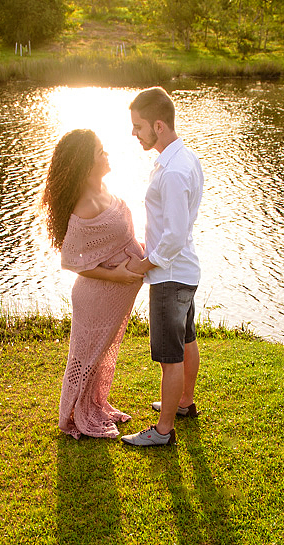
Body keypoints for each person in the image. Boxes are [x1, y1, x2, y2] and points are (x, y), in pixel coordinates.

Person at [43, 128, 145, 439]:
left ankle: (92, 405)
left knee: (99, 358)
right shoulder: (85, 206)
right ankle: (72, 415)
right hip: (96, 297)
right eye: (100, 152)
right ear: (87, 164)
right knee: (84, 359)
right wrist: (116, 275)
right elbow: (71, 260)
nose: (107, 155)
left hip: (111, 296)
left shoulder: (103, 190)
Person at [120, 87, 204, 448]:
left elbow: (172, 236)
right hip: (183, 270)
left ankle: (163, 430)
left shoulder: (173, 172)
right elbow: (175, 228)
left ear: (159, 125)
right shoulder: (184, 157)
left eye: (138, 126)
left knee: (169, 357)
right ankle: (184, 402)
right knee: (186, 340)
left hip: (169, 276)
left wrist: (144, 264)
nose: (133, 133)